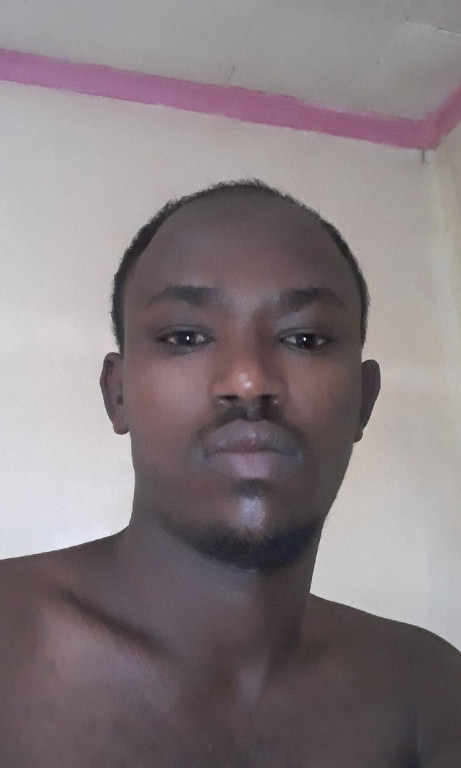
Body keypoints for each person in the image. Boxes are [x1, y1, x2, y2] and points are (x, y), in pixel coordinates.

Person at [1, 179, 460, 767]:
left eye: (305, 338)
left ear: (363, 402)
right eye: (185, 336)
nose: (248, 381)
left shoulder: (427, 692)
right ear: (118, 395)